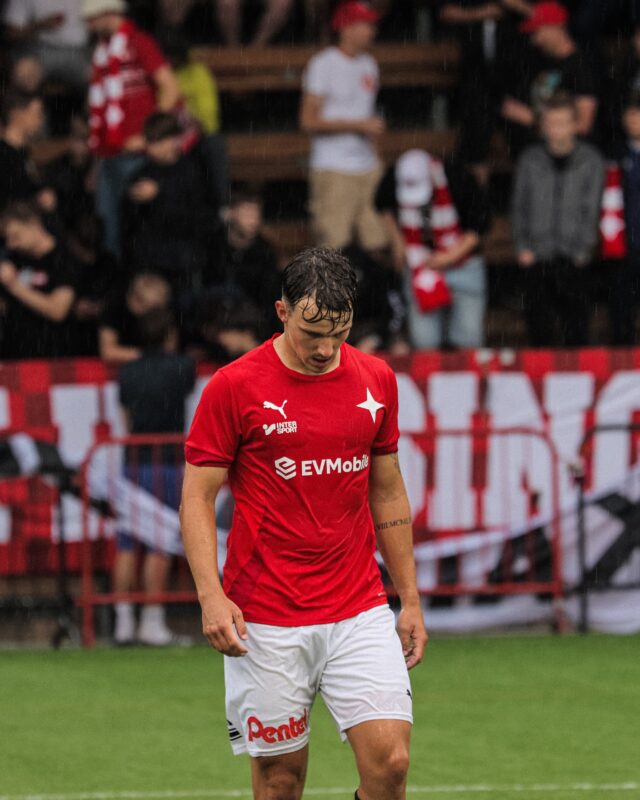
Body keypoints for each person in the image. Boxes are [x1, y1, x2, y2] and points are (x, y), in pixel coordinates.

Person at [181, 247, 428, 800]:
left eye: (338, 334)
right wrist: (210, 596)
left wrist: (409, 598)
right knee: (280, 782)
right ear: (282, 311)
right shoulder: (234, 386)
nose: (324, 349)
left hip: (358, 607)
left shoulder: (376, 379)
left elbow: (387, 489)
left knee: (390, 764)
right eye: (312, 332)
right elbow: (197, 497)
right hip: (266, 614)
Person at [114, 307, 195, 646]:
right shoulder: (183, 367)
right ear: (169, 336)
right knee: (159, 541)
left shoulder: (128, 371)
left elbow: (126, 416)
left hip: (133, 461)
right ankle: (151, 620)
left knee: (127, 541)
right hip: (167, 462)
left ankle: (122, 623)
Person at [82, 0, 182, 259]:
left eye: (92, 19)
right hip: (109, 152)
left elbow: (170, 88)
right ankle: (114, 275)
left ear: (108, 13)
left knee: (133, 226)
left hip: (138, 154)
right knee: (107, 226)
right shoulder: (102, 51)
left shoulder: (140, 42)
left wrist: (148, 137)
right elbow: (101, 111)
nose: (88, 26)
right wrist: (95, 163)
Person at [511, 93, 605, 346]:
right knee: (539, 328)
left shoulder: (591, 160)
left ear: (575, 125)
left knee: (577, 329)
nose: (556, 129)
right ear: (542, 125)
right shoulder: (530, 159)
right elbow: (519, 206)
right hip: (536, 255)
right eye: (550, 123)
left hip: (575, 257)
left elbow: (592, 208)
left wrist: (583, 248)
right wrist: (523, 246)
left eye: (562, 122)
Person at [375, 149, 490, 350]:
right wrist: (398, 241)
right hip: (419, 267)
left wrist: (449, 257)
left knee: (468, 338)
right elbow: (381, 204)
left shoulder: (458, 177)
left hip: (463, 265)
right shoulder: (393, 177)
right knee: (425, 342)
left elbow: (479, 226)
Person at [299, 1, 389, 253]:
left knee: (379, 244)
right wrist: (358, 125)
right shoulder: (323, 64)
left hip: (368, 166)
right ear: (346, 27)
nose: (372, 30)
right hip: (333, 167)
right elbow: (308, 120)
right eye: (365, 24)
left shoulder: (370, 64)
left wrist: (378, 158)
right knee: (333, 248)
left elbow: (368, 118)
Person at [439, 0, 533, 183]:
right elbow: (445, 12)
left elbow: (538, 13)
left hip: (517, 75)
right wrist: (481, 13)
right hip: (476, 76)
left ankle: (528, 194)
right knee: (474, 144)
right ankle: (476, 197)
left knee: (524, 142)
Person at [123, 112, 212, 298]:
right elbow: (130, 221)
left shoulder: (193, 170)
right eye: (150, 141)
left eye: (157, 141)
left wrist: (160, 195)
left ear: (173, 140)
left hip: (182, 252)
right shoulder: (142, 173)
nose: (151, 148)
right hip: (149, 253)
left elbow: (197, 217)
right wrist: (135, 200)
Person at [501, 1, 599, 144]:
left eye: (537, 32)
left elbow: (583, 126)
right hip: (536, 149)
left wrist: (530, 118)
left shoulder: (581, 67)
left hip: (566, 154)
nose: (535, 40)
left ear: (555, 27)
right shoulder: (542, 60)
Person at [0, 201, 79, 359]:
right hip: (14, 354)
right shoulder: (13, 259)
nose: (11, 244)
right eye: (8, 239)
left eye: (16, 236)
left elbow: (58, 311)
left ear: (34, 225)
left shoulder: (65, 259)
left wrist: (14, 285)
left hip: (51, 355)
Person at [204, 187, 281, 339]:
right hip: (214, 322)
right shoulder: (212, 246)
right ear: (231, 213)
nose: (253, 221)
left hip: (251, 326)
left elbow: (268, 300)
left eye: (256, 215)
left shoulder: (265, 252)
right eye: (247, 214)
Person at [2, 0, 91, 90]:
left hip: (79, 52)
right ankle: (32, 100)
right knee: (24, 72)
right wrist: (40, 25)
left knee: (95, 74)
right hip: (40, 51)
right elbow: (10, 33)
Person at [609, 94, 640, 345]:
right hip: (623, 245)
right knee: (621, 308)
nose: (635, 120)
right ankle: (623, 357)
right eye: (631, 113)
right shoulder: (614, 154)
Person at [99, 272, 172, 363]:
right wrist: (146, 354)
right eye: (152, 308)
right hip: (119, 367)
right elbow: (108, 352)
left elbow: (169, 349)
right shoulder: (114, 311)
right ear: (136, 299)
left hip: (150, 365)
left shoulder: (163, 315)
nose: (155, 314)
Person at [0, 91, 55, 214]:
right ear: (16, 114)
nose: (41, 120)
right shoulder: (4, 155)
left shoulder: (24, 154)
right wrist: (35, 202)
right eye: (37, 113)